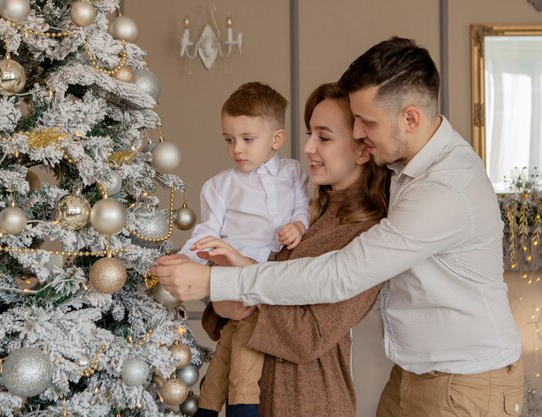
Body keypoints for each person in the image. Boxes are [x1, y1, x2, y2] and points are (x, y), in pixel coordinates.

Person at [152, 37, 525, 417]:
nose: (360, 132)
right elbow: (254, 293)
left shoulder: (442, 189)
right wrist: (225, 285)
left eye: (364, 123)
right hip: (409, 374)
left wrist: (215, 282)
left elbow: (337, 280)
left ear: (409, 118)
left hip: (463, 380)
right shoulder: (328, 200)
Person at [194, 82, 390, 417]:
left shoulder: (366, 234)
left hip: (307, 402)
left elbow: (308, 335)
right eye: (309, 133)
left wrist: (233, 289)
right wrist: (222, 301)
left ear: (362, 150)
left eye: (323, 137)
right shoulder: (303, 211)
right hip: (257, 393)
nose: (309, 147)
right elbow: (232, 304)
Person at [183, 81, 310, 417]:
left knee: (240, 359)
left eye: (247, 139)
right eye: (229, 139)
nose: (237, 148)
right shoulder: (220, 186)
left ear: (276, 139)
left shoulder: (293, 173)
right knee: (226, 353)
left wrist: (298, 226)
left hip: (267, 282)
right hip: (233, 278)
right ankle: (208, 409)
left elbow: (303, 210)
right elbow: (207, 230)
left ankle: (236, 410)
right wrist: (188, 261)